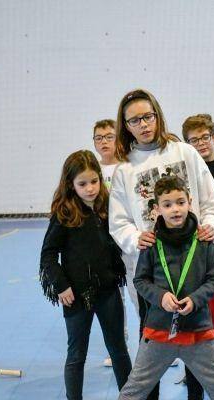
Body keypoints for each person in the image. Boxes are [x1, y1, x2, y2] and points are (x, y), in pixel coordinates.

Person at [109, 89, 214, 400]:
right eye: (134, 120)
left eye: (148, 116)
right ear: (126, 126)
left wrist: (211, 228)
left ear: (158, 116)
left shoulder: (185, 153)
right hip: (152, 273)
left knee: (199, 346)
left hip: (193, 267)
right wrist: (136, 238)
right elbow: (118, 222)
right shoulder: (124, 169)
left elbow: (213, 202)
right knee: (152, 347)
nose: (143, 124)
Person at [118, 176, 214, 400]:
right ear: (157, 208)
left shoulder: (203, 240)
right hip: (159, 331)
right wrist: (161, 297)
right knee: (133, 391)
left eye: (180, 202)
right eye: (168, 204)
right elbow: (140, 281)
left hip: (198, 331)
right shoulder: (151, 242)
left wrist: (195, 299)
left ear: (190, 201)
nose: (175, 209)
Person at [39, 150, 131, 400]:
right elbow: (48, 255)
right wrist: (61, 285)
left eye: (94, 181)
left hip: (108, 291)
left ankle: (131, 396)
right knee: (77, 354)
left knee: (119, 350)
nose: (90, 188)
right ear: (71, 184)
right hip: (76, 296)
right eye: (82, 184)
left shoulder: (107, 206)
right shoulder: (65, 213)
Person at [181, 113, 214, 398]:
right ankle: (197, 381)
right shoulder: (187, 171)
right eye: (194, 140)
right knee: (205, 323)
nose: (200, 144)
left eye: (204, 137)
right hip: (200, 259)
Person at [92, 119, 129, 367]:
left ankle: (159, 345)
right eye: (99, 137)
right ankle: (119, 346)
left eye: (109, 136)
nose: (104, 141)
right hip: (104, 246)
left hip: (127, 240)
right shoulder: (92, 172)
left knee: (140, 294)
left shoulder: (127, 167)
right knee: (116, 298)